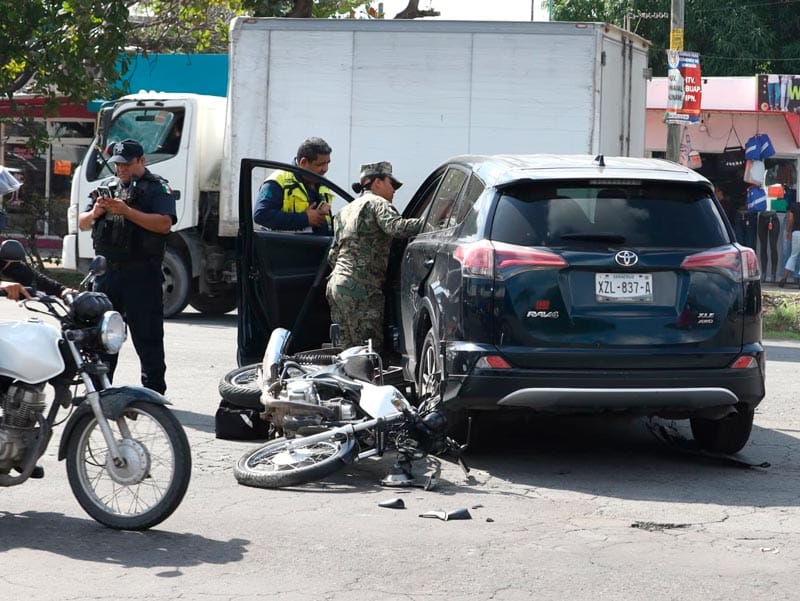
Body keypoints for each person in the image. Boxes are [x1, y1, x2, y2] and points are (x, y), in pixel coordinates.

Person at [77, 139, 176, 394]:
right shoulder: (106, 188)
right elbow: (83, 223)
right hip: (108, 275)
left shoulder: (157, 188)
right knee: (102, 337)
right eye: (117, 164)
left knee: (148, 337)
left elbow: (164, 224)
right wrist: (96, 213)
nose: (121, 169)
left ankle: (153, 394)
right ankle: (102, 392)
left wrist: (127, 211)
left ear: (142, 161)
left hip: (141, 274)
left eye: (126, 164)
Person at [326, 161, 423, 352]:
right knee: (368, 351)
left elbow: (332, 255)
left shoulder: (343, 212)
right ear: (377, 182)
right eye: (391, 184)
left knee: (347, 350)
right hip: (361, 289)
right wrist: (431, 222)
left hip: (336, 286)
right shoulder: (378, 203)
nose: (394, 190)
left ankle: (347, 381)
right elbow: (396, 227)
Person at [253, 137, 333, 235]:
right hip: (286, 247)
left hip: (316, 246)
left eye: (327, 163)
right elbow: (261, 215)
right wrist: (305, 219)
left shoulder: (322, 182)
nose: (325, 169)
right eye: (320, 164)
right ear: (303, 162)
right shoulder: (278, 181)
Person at [778, 197, 800, 288]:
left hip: (796, 233)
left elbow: (790, 219)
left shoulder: (795, 206)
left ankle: (784, 278)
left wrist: (787, 231)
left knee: (793, 255)